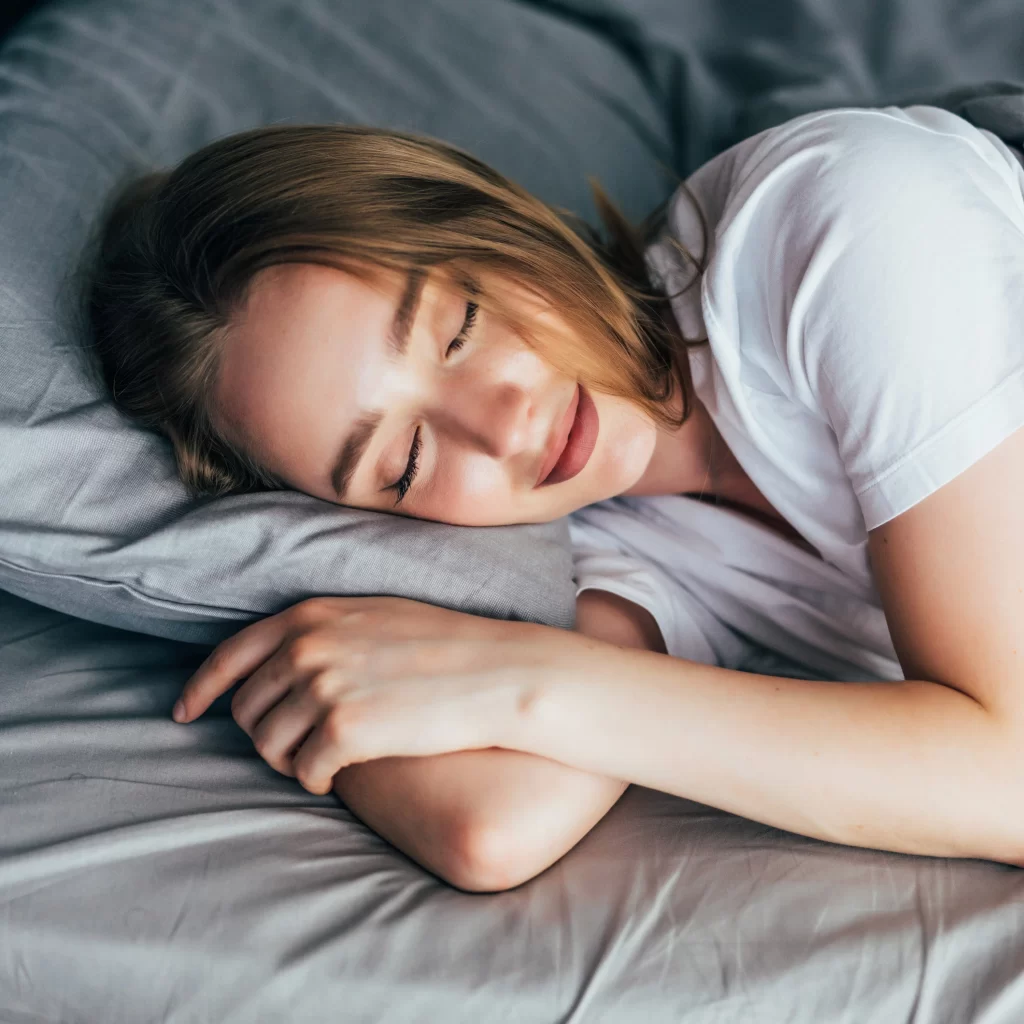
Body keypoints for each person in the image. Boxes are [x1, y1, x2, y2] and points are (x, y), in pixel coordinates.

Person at [84, 105, 1024, 892]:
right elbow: (489, 826)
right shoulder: (620, 541)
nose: (503, 428)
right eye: (406, 462)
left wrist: (525, 681)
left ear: (488, 218)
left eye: (457, 327)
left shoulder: (849, 219)